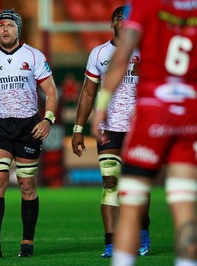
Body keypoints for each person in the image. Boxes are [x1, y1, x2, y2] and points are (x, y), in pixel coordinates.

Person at [92, 1, 197, 265]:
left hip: (153, 110)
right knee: (185, 205)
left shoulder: (146, 5)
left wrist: (102, 106)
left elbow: (123, 53)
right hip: (189, 112)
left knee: (130, 205)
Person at [0, 9, 58, 258]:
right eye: (1, 25)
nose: (5, 29)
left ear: (18, 29)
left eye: (10, 25)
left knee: (27, 185)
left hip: (28, 126)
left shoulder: (34, 56)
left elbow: (52, 92)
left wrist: (48, 119)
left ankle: (27, 242)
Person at [71, 6, 151, 258]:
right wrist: (77, 129)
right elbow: (87, 92)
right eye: (120, 18)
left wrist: (147, 74)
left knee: (137, 186)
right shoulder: (99, 53)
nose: (125, 22)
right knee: (110, 182)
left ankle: (142, 233)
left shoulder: (147, 50)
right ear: (113, 23)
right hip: (109, 128)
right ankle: (110, 242)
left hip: (139, 127)